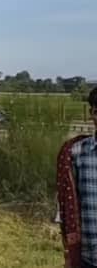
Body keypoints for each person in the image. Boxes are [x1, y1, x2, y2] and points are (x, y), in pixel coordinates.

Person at [57, 87, 97, 268]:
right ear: (92, 114)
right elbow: (66, 204)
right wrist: (69, 255)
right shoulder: (75, 152)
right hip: (89, 257)